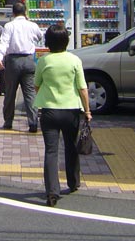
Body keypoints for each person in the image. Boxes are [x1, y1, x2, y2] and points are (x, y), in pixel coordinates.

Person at [34, 23, 91, 207]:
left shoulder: (43, 60)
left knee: (51, 151)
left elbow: (36, 84)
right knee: (70, 147)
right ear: (66, 40)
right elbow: (83, 88)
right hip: (71, 111)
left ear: (48, 42)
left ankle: (52, 192)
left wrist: (45, 96)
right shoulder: (74, 60)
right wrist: (87, 111)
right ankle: (73, 183)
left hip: (49, 111)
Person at [0, 1, 44, 132]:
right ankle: (33, 123)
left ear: (13, 13)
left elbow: (4, 42)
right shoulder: (32, 25)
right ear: (25, 12)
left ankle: (8, 122)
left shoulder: (9, 26)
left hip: (12, 61)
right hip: (29, 60)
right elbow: (40, 37)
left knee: (10, 93)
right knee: (30, 94)